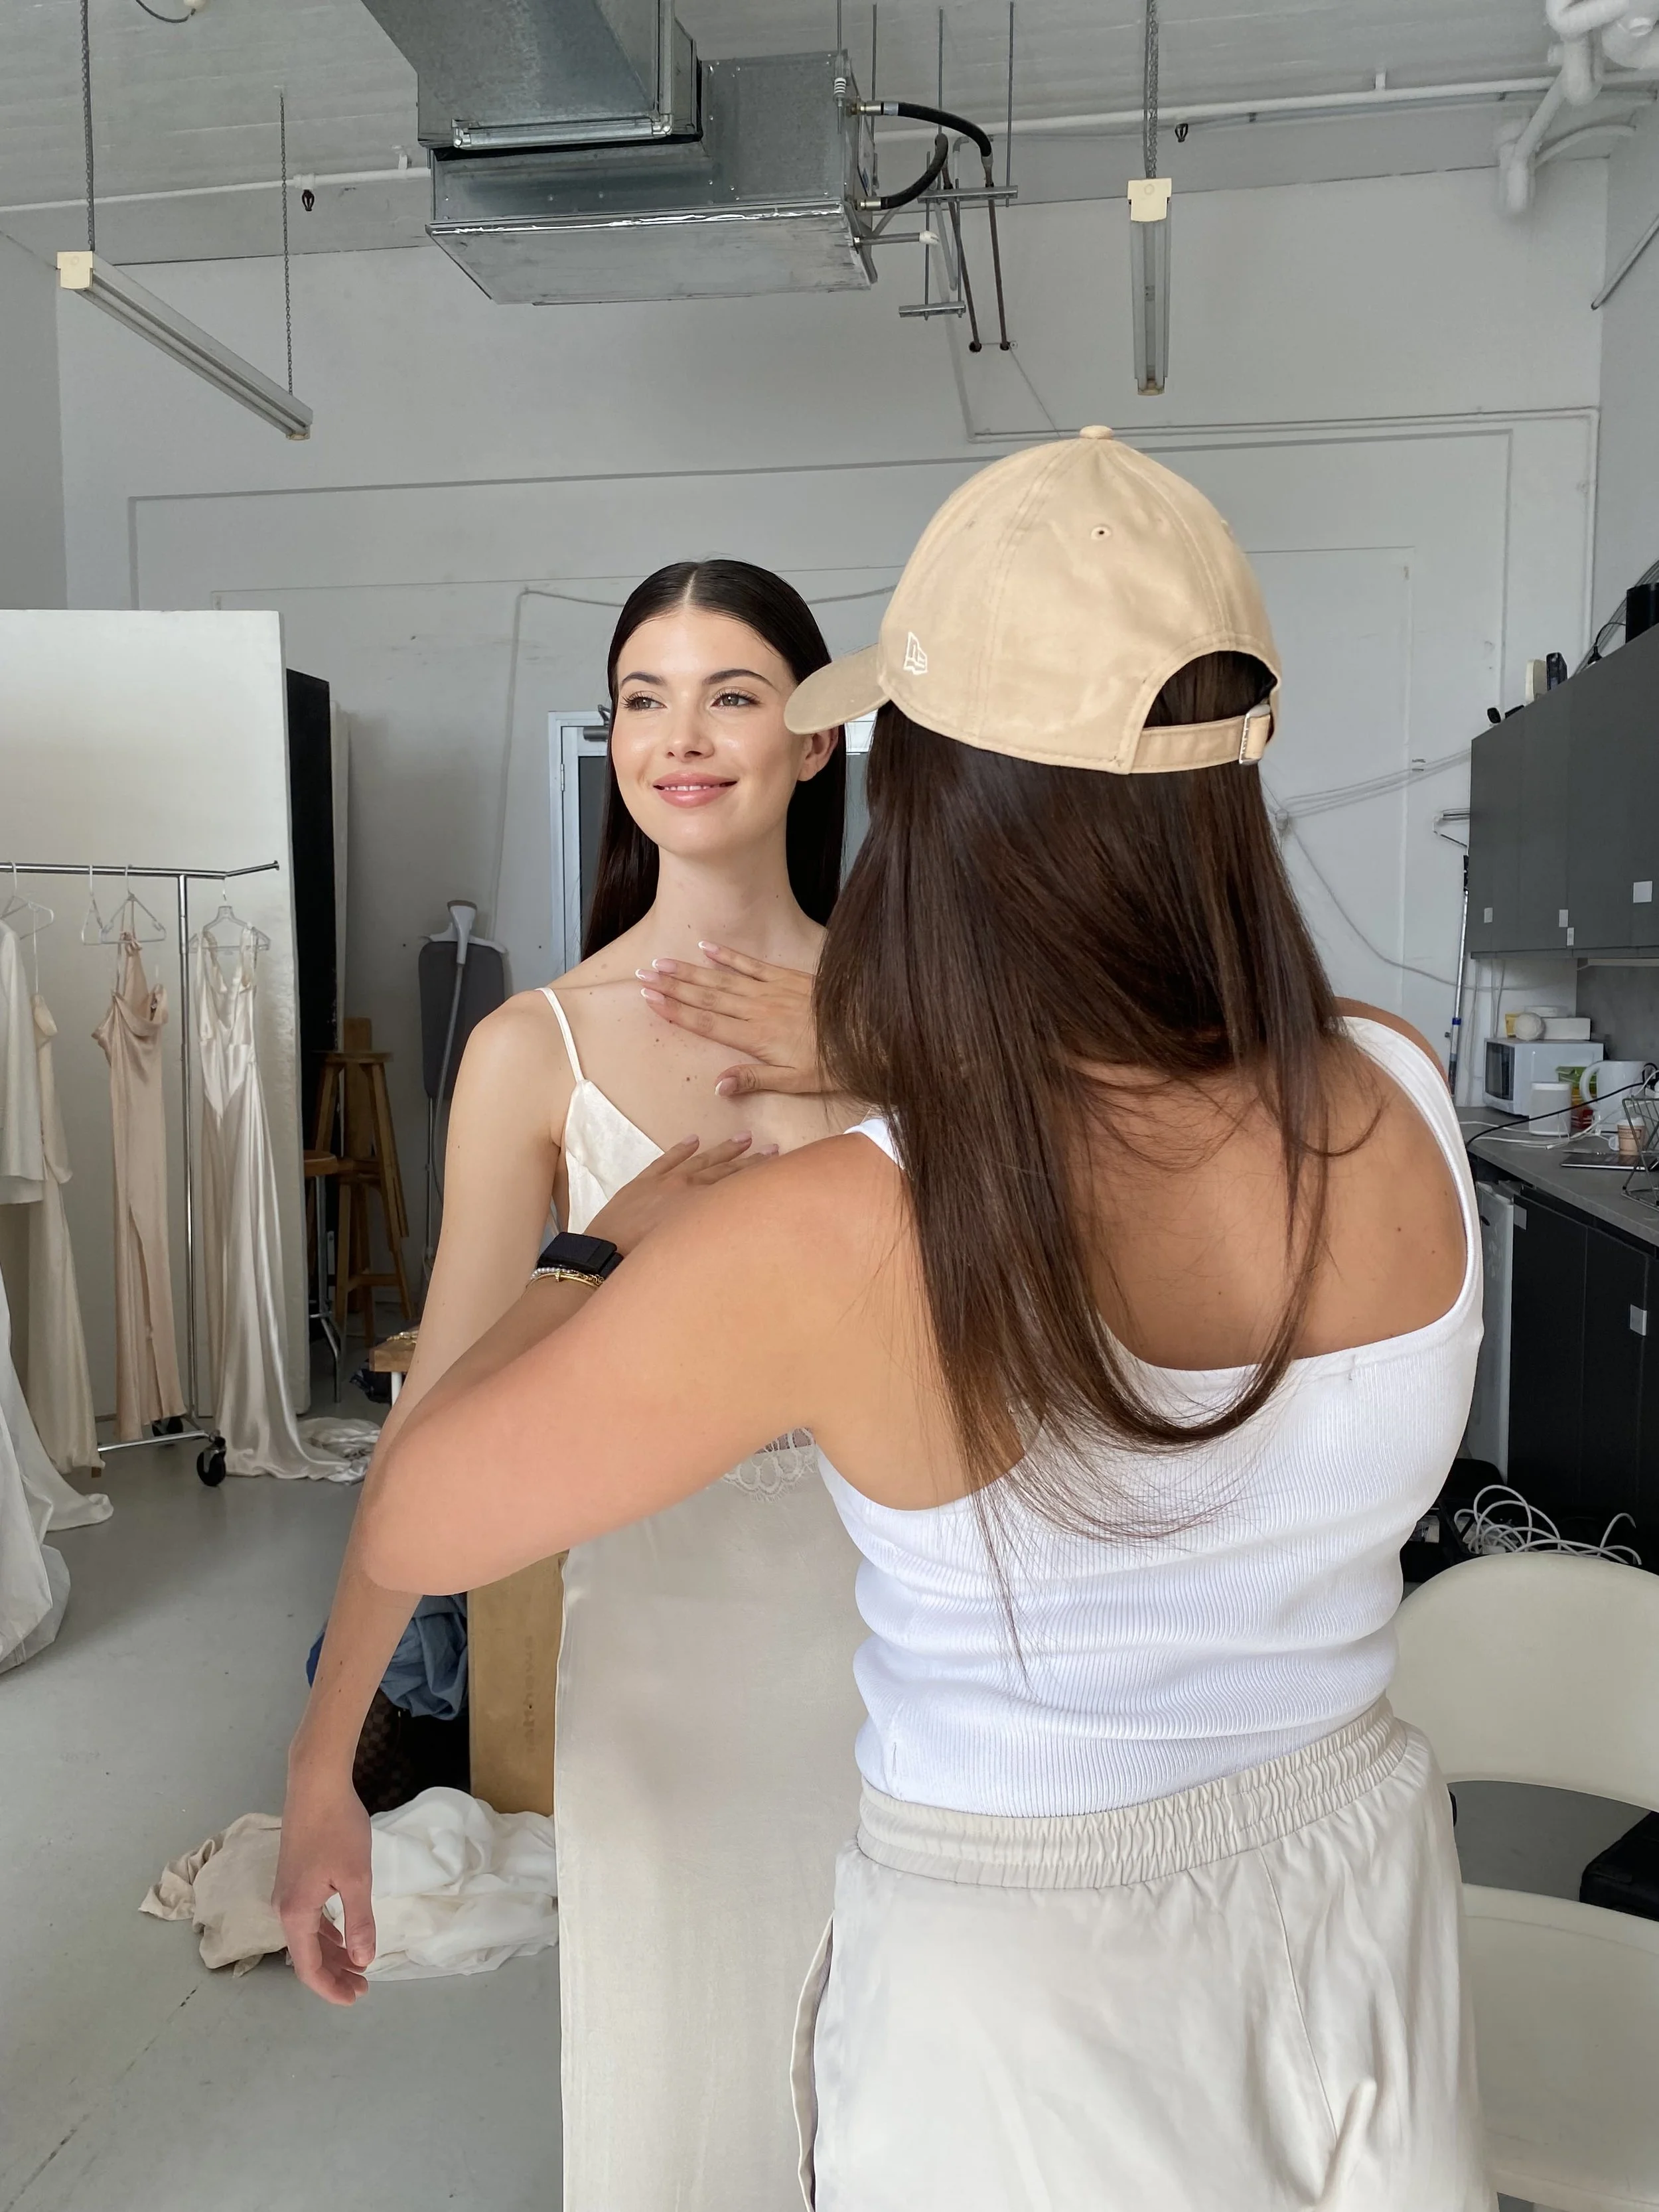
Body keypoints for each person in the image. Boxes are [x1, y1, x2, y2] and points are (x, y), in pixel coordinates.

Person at [356, 431, 1491, 2212]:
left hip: (1028, 1997)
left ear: (932, 790)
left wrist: (602, 1254)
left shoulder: (851, 1228)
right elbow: (1130, 1097)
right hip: (1359, 1885)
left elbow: (418, 1509)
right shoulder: (1397, 1087)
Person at [275, 559, 869, 2210]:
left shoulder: (920, 1016)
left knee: (904, 2111)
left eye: (733, 694)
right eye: (643, 698)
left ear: (813, 740)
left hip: (916, 1666)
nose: (683, 737)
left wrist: (854, 1065)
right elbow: (435, 1429)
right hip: (664, 1679)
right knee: (682, 2119)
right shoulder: (535, 1046)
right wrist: (324, 1766)